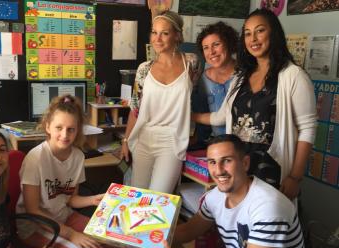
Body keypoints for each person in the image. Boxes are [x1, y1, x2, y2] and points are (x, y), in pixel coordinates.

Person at [193, 8, 317, 199]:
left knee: (266, 222)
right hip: (238, 166)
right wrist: (187, 115)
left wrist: (295, 176)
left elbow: (307, 128)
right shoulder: (241, 77)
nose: (253, 39)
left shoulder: (292, 75)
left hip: (271, 168)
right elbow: (221, 116)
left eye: (260, 31)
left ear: (273, 33)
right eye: (248, 33)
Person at [142, 134, 306, 248]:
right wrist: (144, 234)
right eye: (212, 162)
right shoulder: (215, 197)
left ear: (245, 163)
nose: (218, 170)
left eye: (227, 161)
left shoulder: (267, 208)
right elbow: (188, 231)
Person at [15, 94, 123, 248]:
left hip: (63, 216)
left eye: (71, 129)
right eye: (59, 127)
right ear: (48, 126)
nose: (65, 135)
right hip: (35, 226)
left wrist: (94, 200)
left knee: (116, 240)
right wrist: (71, 234)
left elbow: (71, 199)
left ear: (77, 131)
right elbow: (33, 210)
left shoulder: (78, 157)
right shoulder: (35, 159)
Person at [120, 10, 194, 193]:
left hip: (172, 140)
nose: (157, 39)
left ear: (177, 35)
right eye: (154, 32)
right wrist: (125, 141)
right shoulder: (144, 69)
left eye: (165, 33)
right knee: (138, 195)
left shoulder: (191, 63)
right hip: (144, 138)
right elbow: (135, 109)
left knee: (160, 199)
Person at [190, 21, 238, 148]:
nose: (211, 52)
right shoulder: (203, 79)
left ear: (229, 44)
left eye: (216, 44)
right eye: (206, 47)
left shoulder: (245, 74)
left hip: (243, 146)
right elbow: (201, 114)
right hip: (215, 144)